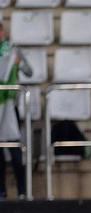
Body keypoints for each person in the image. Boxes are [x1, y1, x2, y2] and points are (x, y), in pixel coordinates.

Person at [0, 21, 32, 200]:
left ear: (3, 31)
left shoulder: (13, 51)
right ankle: (2, 192)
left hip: (11, 107)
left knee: (15, 152)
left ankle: (22, 192)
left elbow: (30, 72)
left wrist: (19, 63)